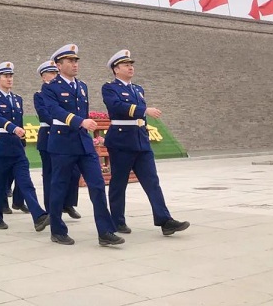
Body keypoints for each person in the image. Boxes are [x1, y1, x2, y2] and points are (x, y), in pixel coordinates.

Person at [41, 44, 124, 246]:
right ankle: (58, 230)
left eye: (76, 60)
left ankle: (105, 231)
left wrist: (84, 124)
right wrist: (80, 122)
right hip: (62, 142)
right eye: (70, 61)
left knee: (96, 185)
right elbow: (54, 110)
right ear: (59, 65)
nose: (75, 64)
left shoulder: (82, 86)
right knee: (59, 186)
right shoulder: (50, 87)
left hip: (83, 143)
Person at [102, 49, 190, 236]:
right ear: (116, 69)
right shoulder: (110, 88)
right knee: (119, 183)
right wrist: (144, 110)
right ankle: (117, 221)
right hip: (121, 141)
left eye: (131, 65)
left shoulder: (137, 89)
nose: (131, 68)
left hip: (141, 140)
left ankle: (164, 220)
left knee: (152, 182)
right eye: (126, 65)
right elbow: (117, 106)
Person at [0, 62, 50, 232]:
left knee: (25, 182)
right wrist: (13, 128)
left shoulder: (17, 99)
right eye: (6, 76)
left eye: (11, 76)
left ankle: (39, 216)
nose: (9, 79)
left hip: (17, 148)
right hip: (0, 147)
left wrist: (22, 141)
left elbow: (19, 121)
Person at [34, 60, 82, 219]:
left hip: (68, 135)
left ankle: (68, 203)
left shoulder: (67, 88)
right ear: (43, 76)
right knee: (51, 176)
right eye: (51, 73)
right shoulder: (40, 94)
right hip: (49, 136)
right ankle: (51, 210)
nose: (55, 75)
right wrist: (68, 122)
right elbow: (45, 114)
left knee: (74, 172)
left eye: (56, 72)